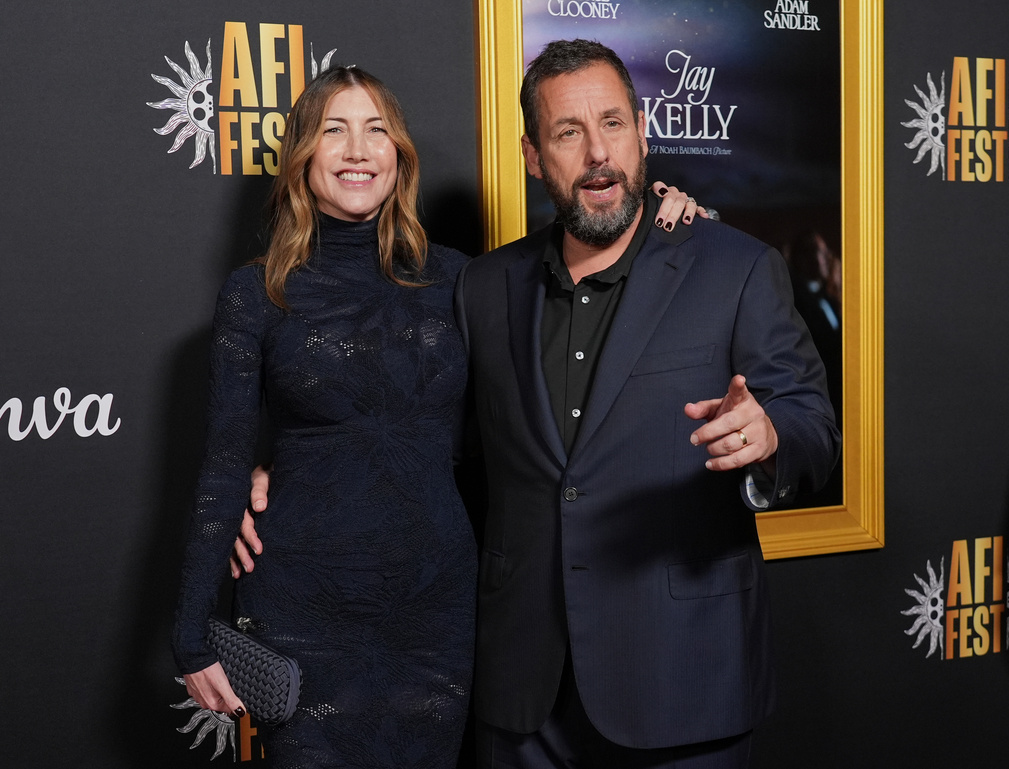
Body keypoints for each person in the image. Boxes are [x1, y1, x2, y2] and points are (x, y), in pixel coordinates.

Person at [176, 65, 702, 767]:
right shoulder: (255, 292)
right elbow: (223, 463)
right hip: (303, 607)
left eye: (376, 131)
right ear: (303, 154)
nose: (359, 150)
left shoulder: (461, 277)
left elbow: (586, 254)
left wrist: (663, 214)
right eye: (335, 130)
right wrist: (189, 635)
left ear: (399, 154)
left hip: (436, 609)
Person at [453, 40, 839, 767]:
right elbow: (448, 451)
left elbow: (814, 427)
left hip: (683, 685)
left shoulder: (736, 269)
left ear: (644, 131)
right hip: (524, 700)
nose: (598, 153)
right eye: (568, 133)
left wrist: (770, 437)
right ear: (534, 155)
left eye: (614, 124)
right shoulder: (482, 288)